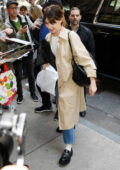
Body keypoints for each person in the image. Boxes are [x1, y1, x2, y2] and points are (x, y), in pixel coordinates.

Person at [41, 5, 97, 166]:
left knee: (66, 114)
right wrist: (45, 64)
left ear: (61, 20)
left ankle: (68, 147)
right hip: (58, 82)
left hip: (71, 83)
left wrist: (92, 81)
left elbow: (85, 59)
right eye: (47, 23)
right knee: (65, 112)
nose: (50, 26)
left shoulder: (71, 36)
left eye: (54, 22)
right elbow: (48, 56)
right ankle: (68, 126)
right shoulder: (48, 38)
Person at [5, 1, 39, 104]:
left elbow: (32, 26)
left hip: (28, 49)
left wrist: (35, 25)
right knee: (18, 75)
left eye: (16, 7)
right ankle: (20, 95)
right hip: (16, 52)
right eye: (12, 8)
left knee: (30, 73)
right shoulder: (6, 23)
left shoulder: (23, 17)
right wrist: (19, 33)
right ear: (7, 10)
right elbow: (9, 40)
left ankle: (33, 93)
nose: (15, 10)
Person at [68, 7, 96, 117]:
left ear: (80, 17)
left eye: (77, 15)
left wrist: (90, 67)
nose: (75, 18)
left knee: (81, 87)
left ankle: (82, 107)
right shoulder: (64, 30)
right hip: (66, 63)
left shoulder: (87, 32)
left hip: (80, 64)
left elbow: (91, 51)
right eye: (73, 15)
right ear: (69, 16)